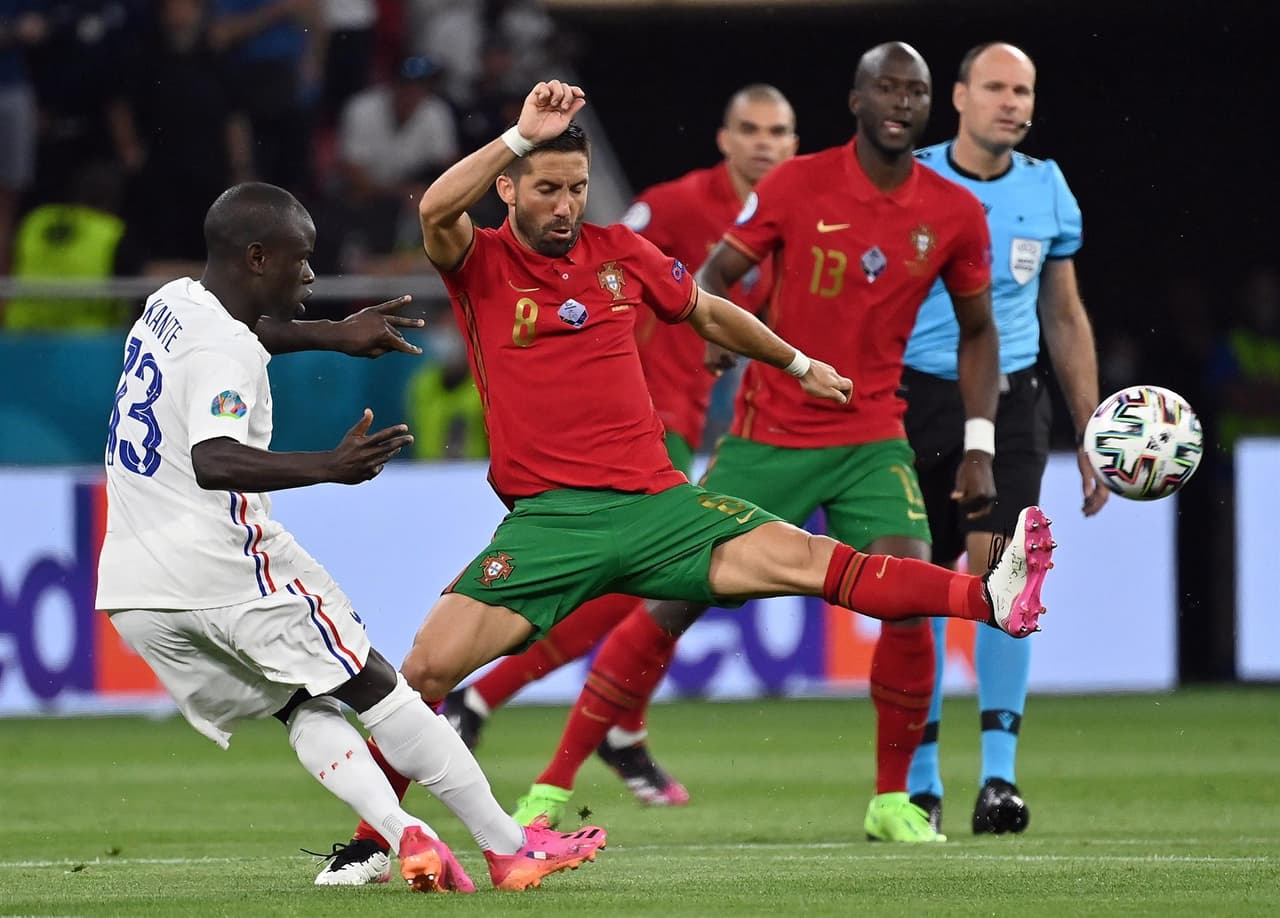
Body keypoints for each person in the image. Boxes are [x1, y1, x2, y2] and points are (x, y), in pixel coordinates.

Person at [322, 76, 1056, 882]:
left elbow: (707, 310)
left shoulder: (620, 254)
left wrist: (798, 361)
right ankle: (370, 844)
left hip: (662, 507)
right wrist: (520, 134)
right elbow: (433, 209)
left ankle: (990, 597)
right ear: (510, 187)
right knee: (423, 671)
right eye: (546, 189)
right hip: (550, 524)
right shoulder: (482, 261)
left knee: (818, 566)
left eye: (575, 189)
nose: (565, 206)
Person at [510, 43, 1012, 845]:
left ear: (929, 107)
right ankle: (551, 784)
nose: (900, 101)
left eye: (913, 91)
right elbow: (718, 267)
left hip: (872, 433)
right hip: (766, 436)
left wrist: (981, 440)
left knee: (907, 597)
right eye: (885, 86)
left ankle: (891, 801)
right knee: (670, 603)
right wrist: (709, 329)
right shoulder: (795, 183)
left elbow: (980, 332)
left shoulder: (953, 213)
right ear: (854, 100)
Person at [96, 181, 608, 893]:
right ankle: (511, 846)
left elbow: (246, 333)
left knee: (299, 703)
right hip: (221, 564)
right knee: (376, 685)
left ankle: (407, 837)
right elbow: (212, 458)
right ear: (255, 257)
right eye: (299, 260)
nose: (310, 275)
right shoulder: (224, 355)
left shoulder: (172, 303)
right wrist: (328, 467)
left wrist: (331, 336)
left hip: (135, 589)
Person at [439, 83, 798, 807]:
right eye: (751, 129)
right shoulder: (673, 206)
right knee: (630, 583)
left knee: (642, 588)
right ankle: (495, 700)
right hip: (635, 414)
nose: (766, 144)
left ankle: (618, 726)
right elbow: (592, 275)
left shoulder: (792, 214)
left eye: (781, 132)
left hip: (694, 416)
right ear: (724, 140)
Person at [902, 42, 1106, 836]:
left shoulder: (1047, 187)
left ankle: (998, 782)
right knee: (911, 587)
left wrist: (1089, 428)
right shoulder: (911, 178)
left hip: (1015, 405)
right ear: (956, 96)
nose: (1011, 103)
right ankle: (919, 785)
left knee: (1003, 581)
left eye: (1023, 89)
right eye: (995, 87)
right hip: (911, 401)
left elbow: (1064, 313)